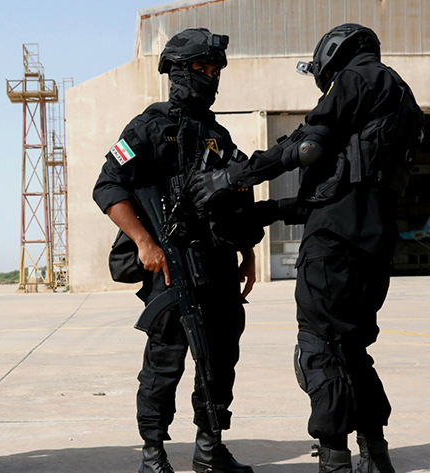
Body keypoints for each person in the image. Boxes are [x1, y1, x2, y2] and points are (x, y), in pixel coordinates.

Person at [189, 24, 424, 473]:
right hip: (374, 247)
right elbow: (334, 190)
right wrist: (264, 212)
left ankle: (334, 460)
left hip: (333, 246)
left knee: (318, 349)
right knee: (352, 350)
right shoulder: (403, 101)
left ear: (333, 55)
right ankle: (375, 455)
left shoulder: (357, 78)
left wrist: (232, 177)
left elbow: (309, 146)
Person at [93, 28, 258, 473]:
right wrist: (145, 243)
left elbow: (236, 197)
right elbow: (108, 187)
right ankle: (153, 454)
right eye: (201, 68)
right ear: (179, 72)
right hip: (170, 266)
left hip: (218, 266)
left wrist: (247, 252)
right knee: (164, 362)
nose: (210, 77)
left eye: (215, 70)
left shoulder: (218, 134)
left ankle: (210, 448)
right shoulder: (148, 127)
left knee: (219, 359)